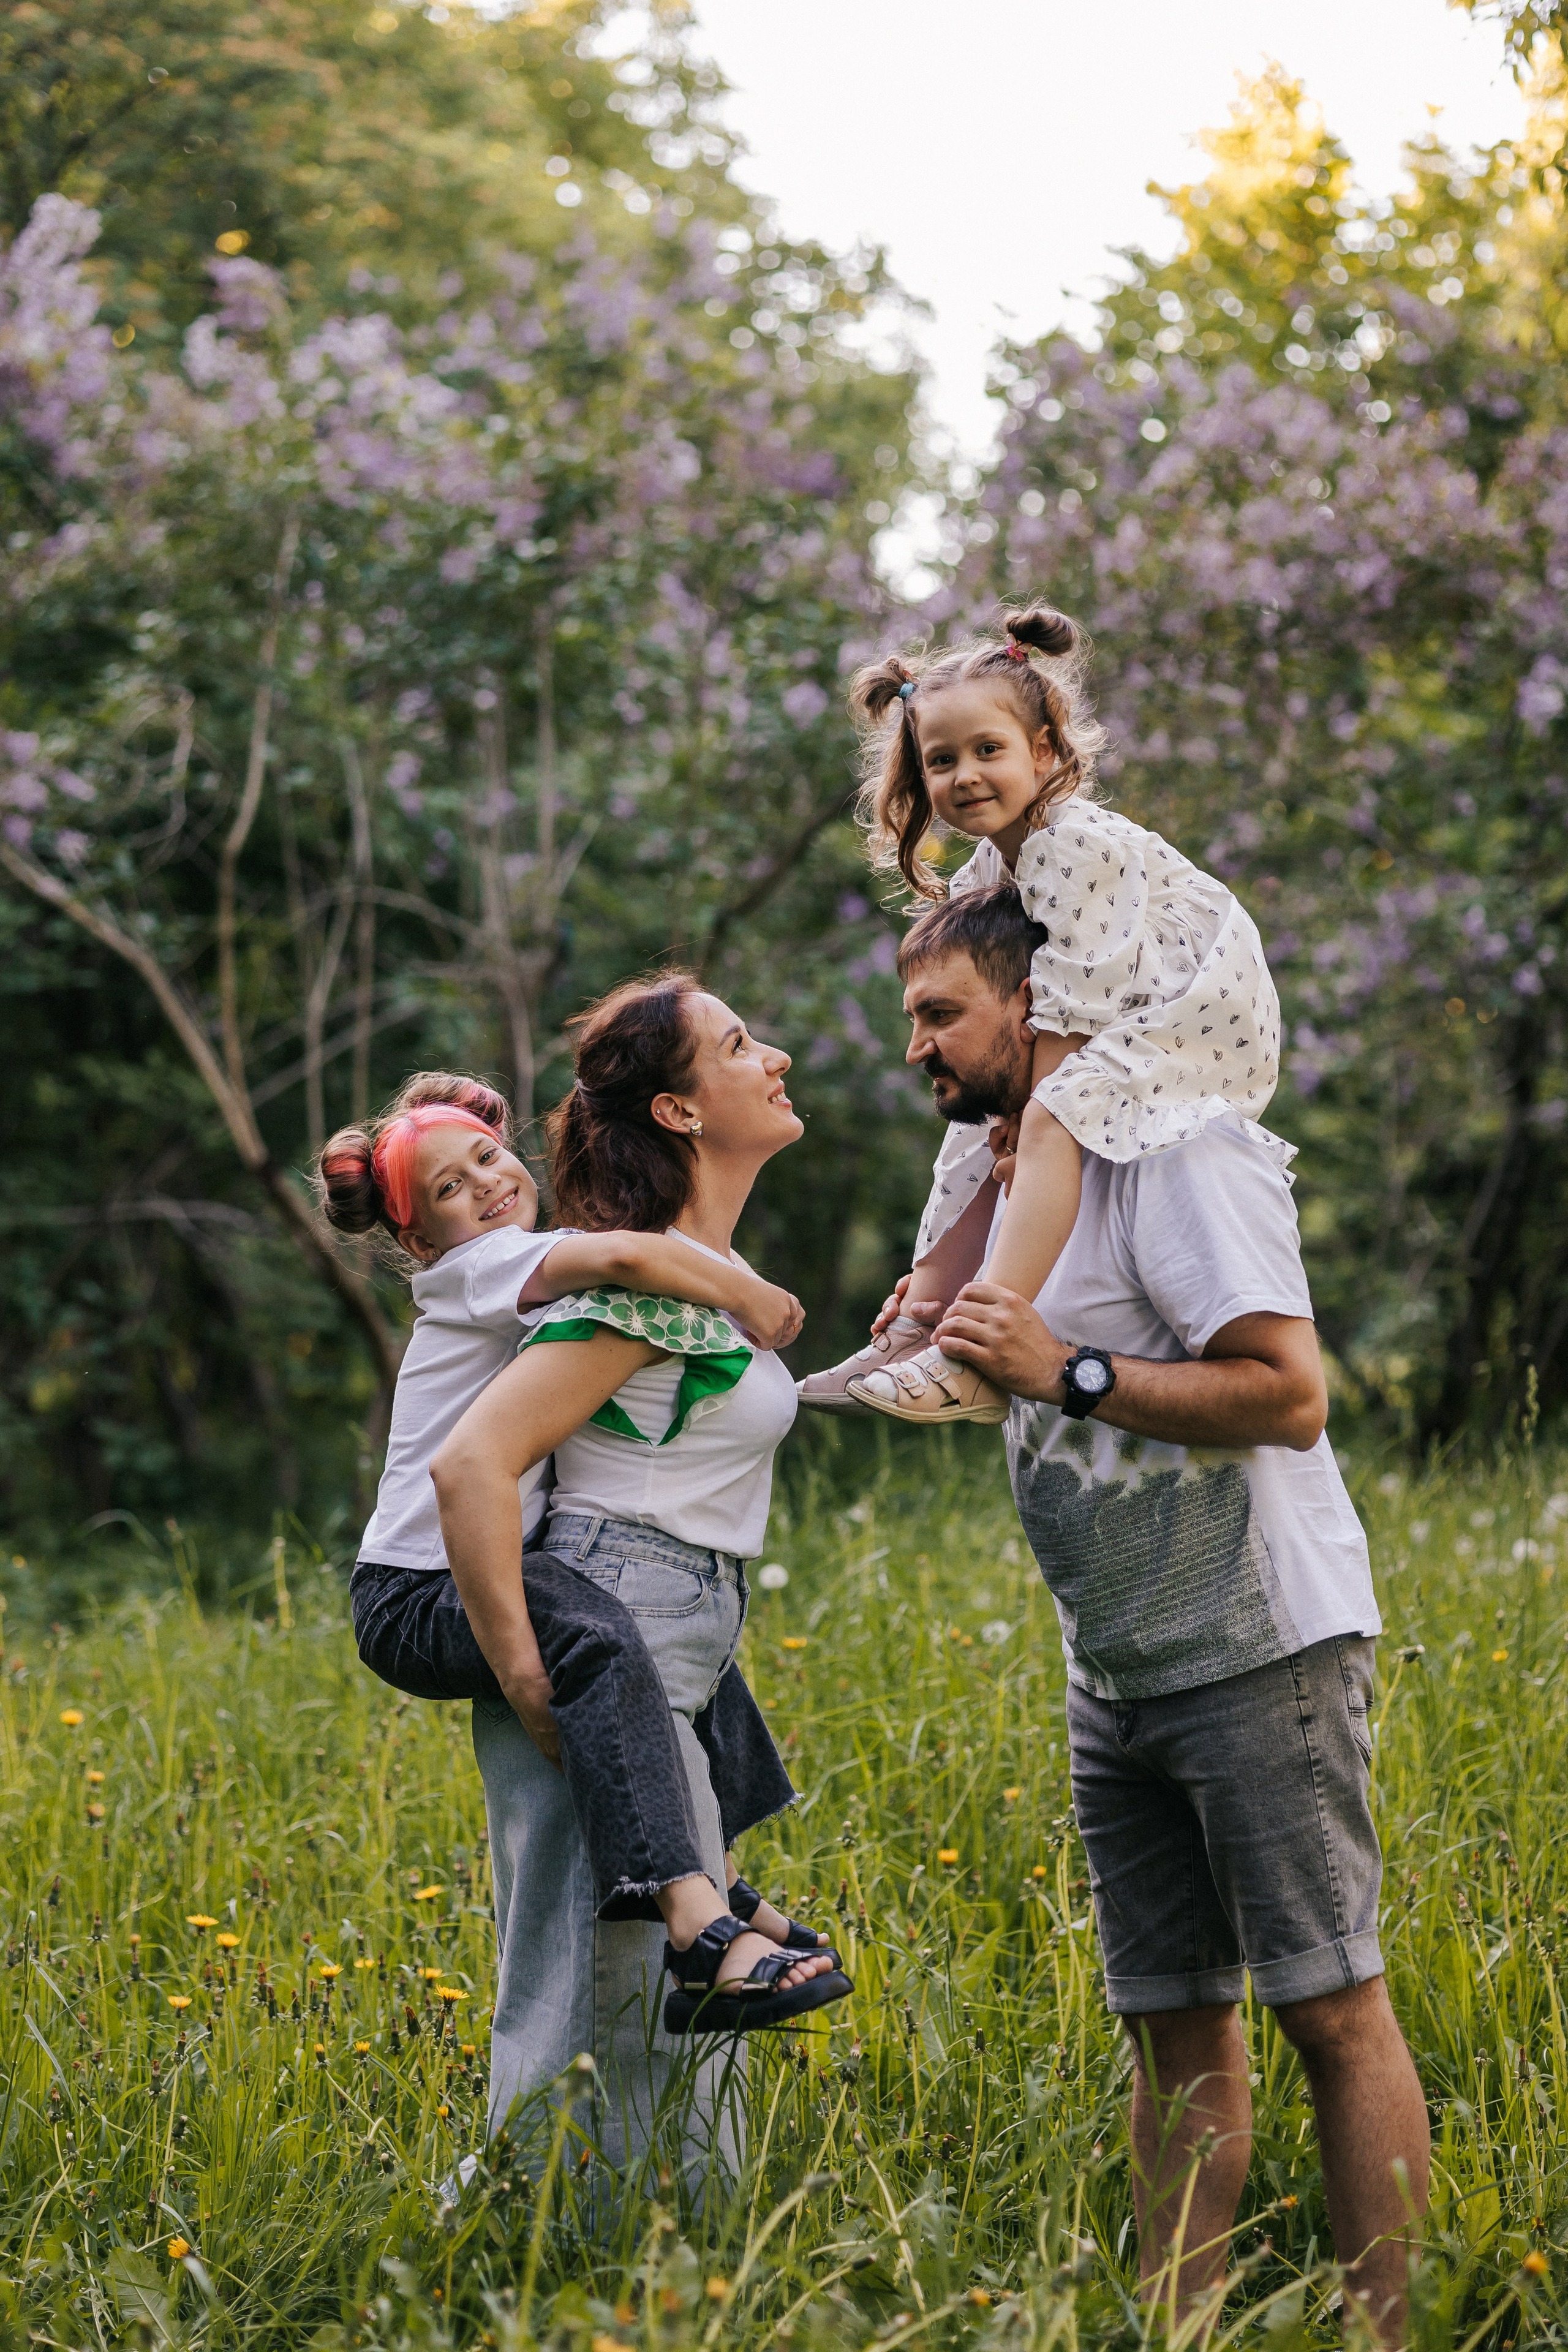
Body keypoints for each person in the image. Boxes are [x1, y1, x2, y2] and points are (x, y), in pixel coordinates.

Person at [861, 883, 1428, 2344]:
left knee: (1325, 2007)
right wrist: (932, 1330)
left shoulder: (1177, 1155)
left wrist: (1067, 1370)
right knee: (1172, 2030)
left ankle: (1385, 2332)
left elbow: (1287, 1397)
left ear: (1035, 1007)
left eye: (938, 1014)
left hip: (1259, 1651)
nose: (913, 1047)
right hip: (1111, 1671)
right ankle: (1179, 2330)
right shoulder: (1000, 1183)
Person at [430, 979, 851, 2166]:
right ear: (676, 1109)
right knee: (586, 2002)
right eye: (735, 1044)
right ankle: (518, 2277)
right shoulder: (640, 1284)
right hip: (612, 1627)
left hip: (679, 1635)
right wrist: (525, 1673)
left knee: (673, 2017)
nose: (771, 1056)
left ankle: (672, 2280)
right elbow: (473, 1465)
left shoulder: (691, 1276)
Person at [320, 1069, 827, 1952]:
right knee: (603, 1637)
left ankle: (727, 1877)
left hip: (463, 1565)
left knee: (687, 1665)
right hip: (413, 1591)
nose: (484, 1184)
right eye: (449, 1188)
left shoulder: (513, 1264)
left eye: (487, 1158)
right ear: (417, 1235)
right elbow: (631, 1257)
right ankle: (689, 1914)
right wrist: (747, 1296)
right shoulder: (479, 1267)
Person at [799, 604, 1281, 1427]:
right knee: (973, 1125)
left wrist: (1030, 1128)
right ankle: (923, 1323)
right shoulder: (984, 874)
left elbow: (1068, 1019)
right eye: (941, 760)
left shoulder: (1075, 844)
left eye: (989, 750)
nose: (965, 776)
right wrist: (1001, 1130)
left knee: (1050, 1114)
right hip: (1112, 1019)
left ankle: (975, 1356)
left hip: (1196, 1022)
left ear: (1046, 751)